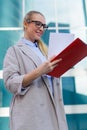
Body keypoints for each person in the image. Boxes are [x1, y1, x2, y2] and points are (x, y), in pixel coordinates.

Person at [3, 10, 68, 130]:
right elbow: (10, 83)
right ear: (25, 23)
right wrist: (39, 71)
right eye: (38, 24)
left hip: (52, 114)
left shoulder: (46, 52)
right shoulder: (14, 51)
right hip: (32, 117)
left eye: (44, 25)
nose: (41, 29)